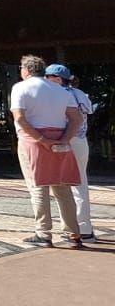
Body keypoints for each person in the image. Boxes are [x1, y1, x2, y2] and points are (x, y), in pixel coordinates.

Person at [9, 55, 84, 248]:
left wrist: (41, 139)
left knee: (38, 186)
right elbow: (76, 119)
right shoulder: (60, 90)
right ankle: (73, 232)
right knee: (62, 186)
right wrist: (64, 139)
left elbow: (20, 118)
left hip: (32, 140)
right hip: (59, 138)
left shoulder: (20, 87)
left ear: (26, 69)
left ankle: (43, 233)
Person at [45, 64, 97, 244]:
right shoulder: (80, 93)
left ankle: (71, 229)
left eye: (48, 77)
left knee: (62, 186)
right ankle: (85, 229)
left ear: (58, 79)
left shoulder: (59, 95)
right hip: (81, 142)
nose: (45, 80)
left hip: (66, 141)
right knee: (81, 184)